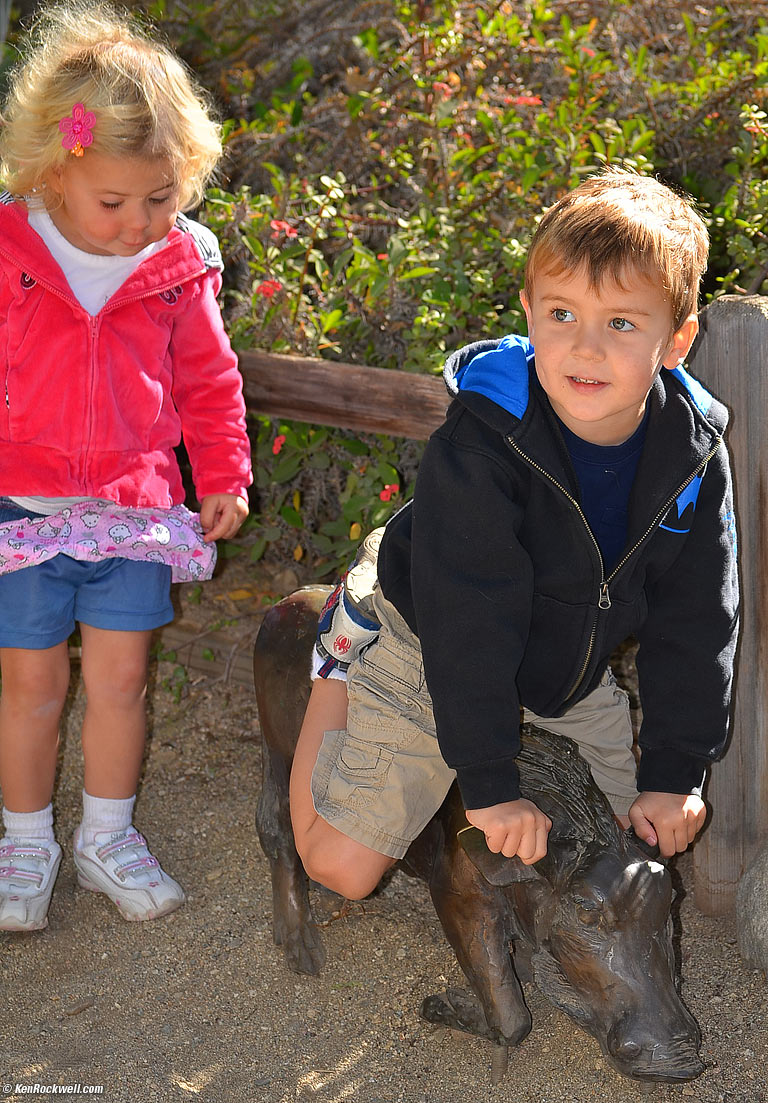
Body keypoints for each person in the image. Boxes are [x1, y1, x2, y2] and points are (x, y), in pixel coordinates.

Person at [289, 168, 739, 902]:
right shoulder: (484, 442)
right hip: (434, 636)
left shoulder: (690, 456)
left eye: (621, 323)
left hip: (563, 670)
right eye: (561, 314)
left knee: (643, 844)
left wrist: (673, 775)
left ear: (677, 340)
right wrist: (490, 784)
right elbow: (472, 619)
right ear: (528, 311)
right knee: (339, 869)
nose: (585, 348)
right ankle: (342, 651)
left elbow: (698, 622)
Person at [0, 0, 252, 931]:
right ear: (58, 168)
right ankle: (24, 838)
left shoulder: (180, 261)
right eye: (115, 202)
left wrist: (222, 473)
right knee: (32, 686)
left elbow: (208, 376)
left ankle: (108, 834)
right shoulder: (8, 248)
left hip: (137, 510)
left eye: (162, 196)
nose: (139, 222)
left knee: (121, 683)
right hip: (22, 510)